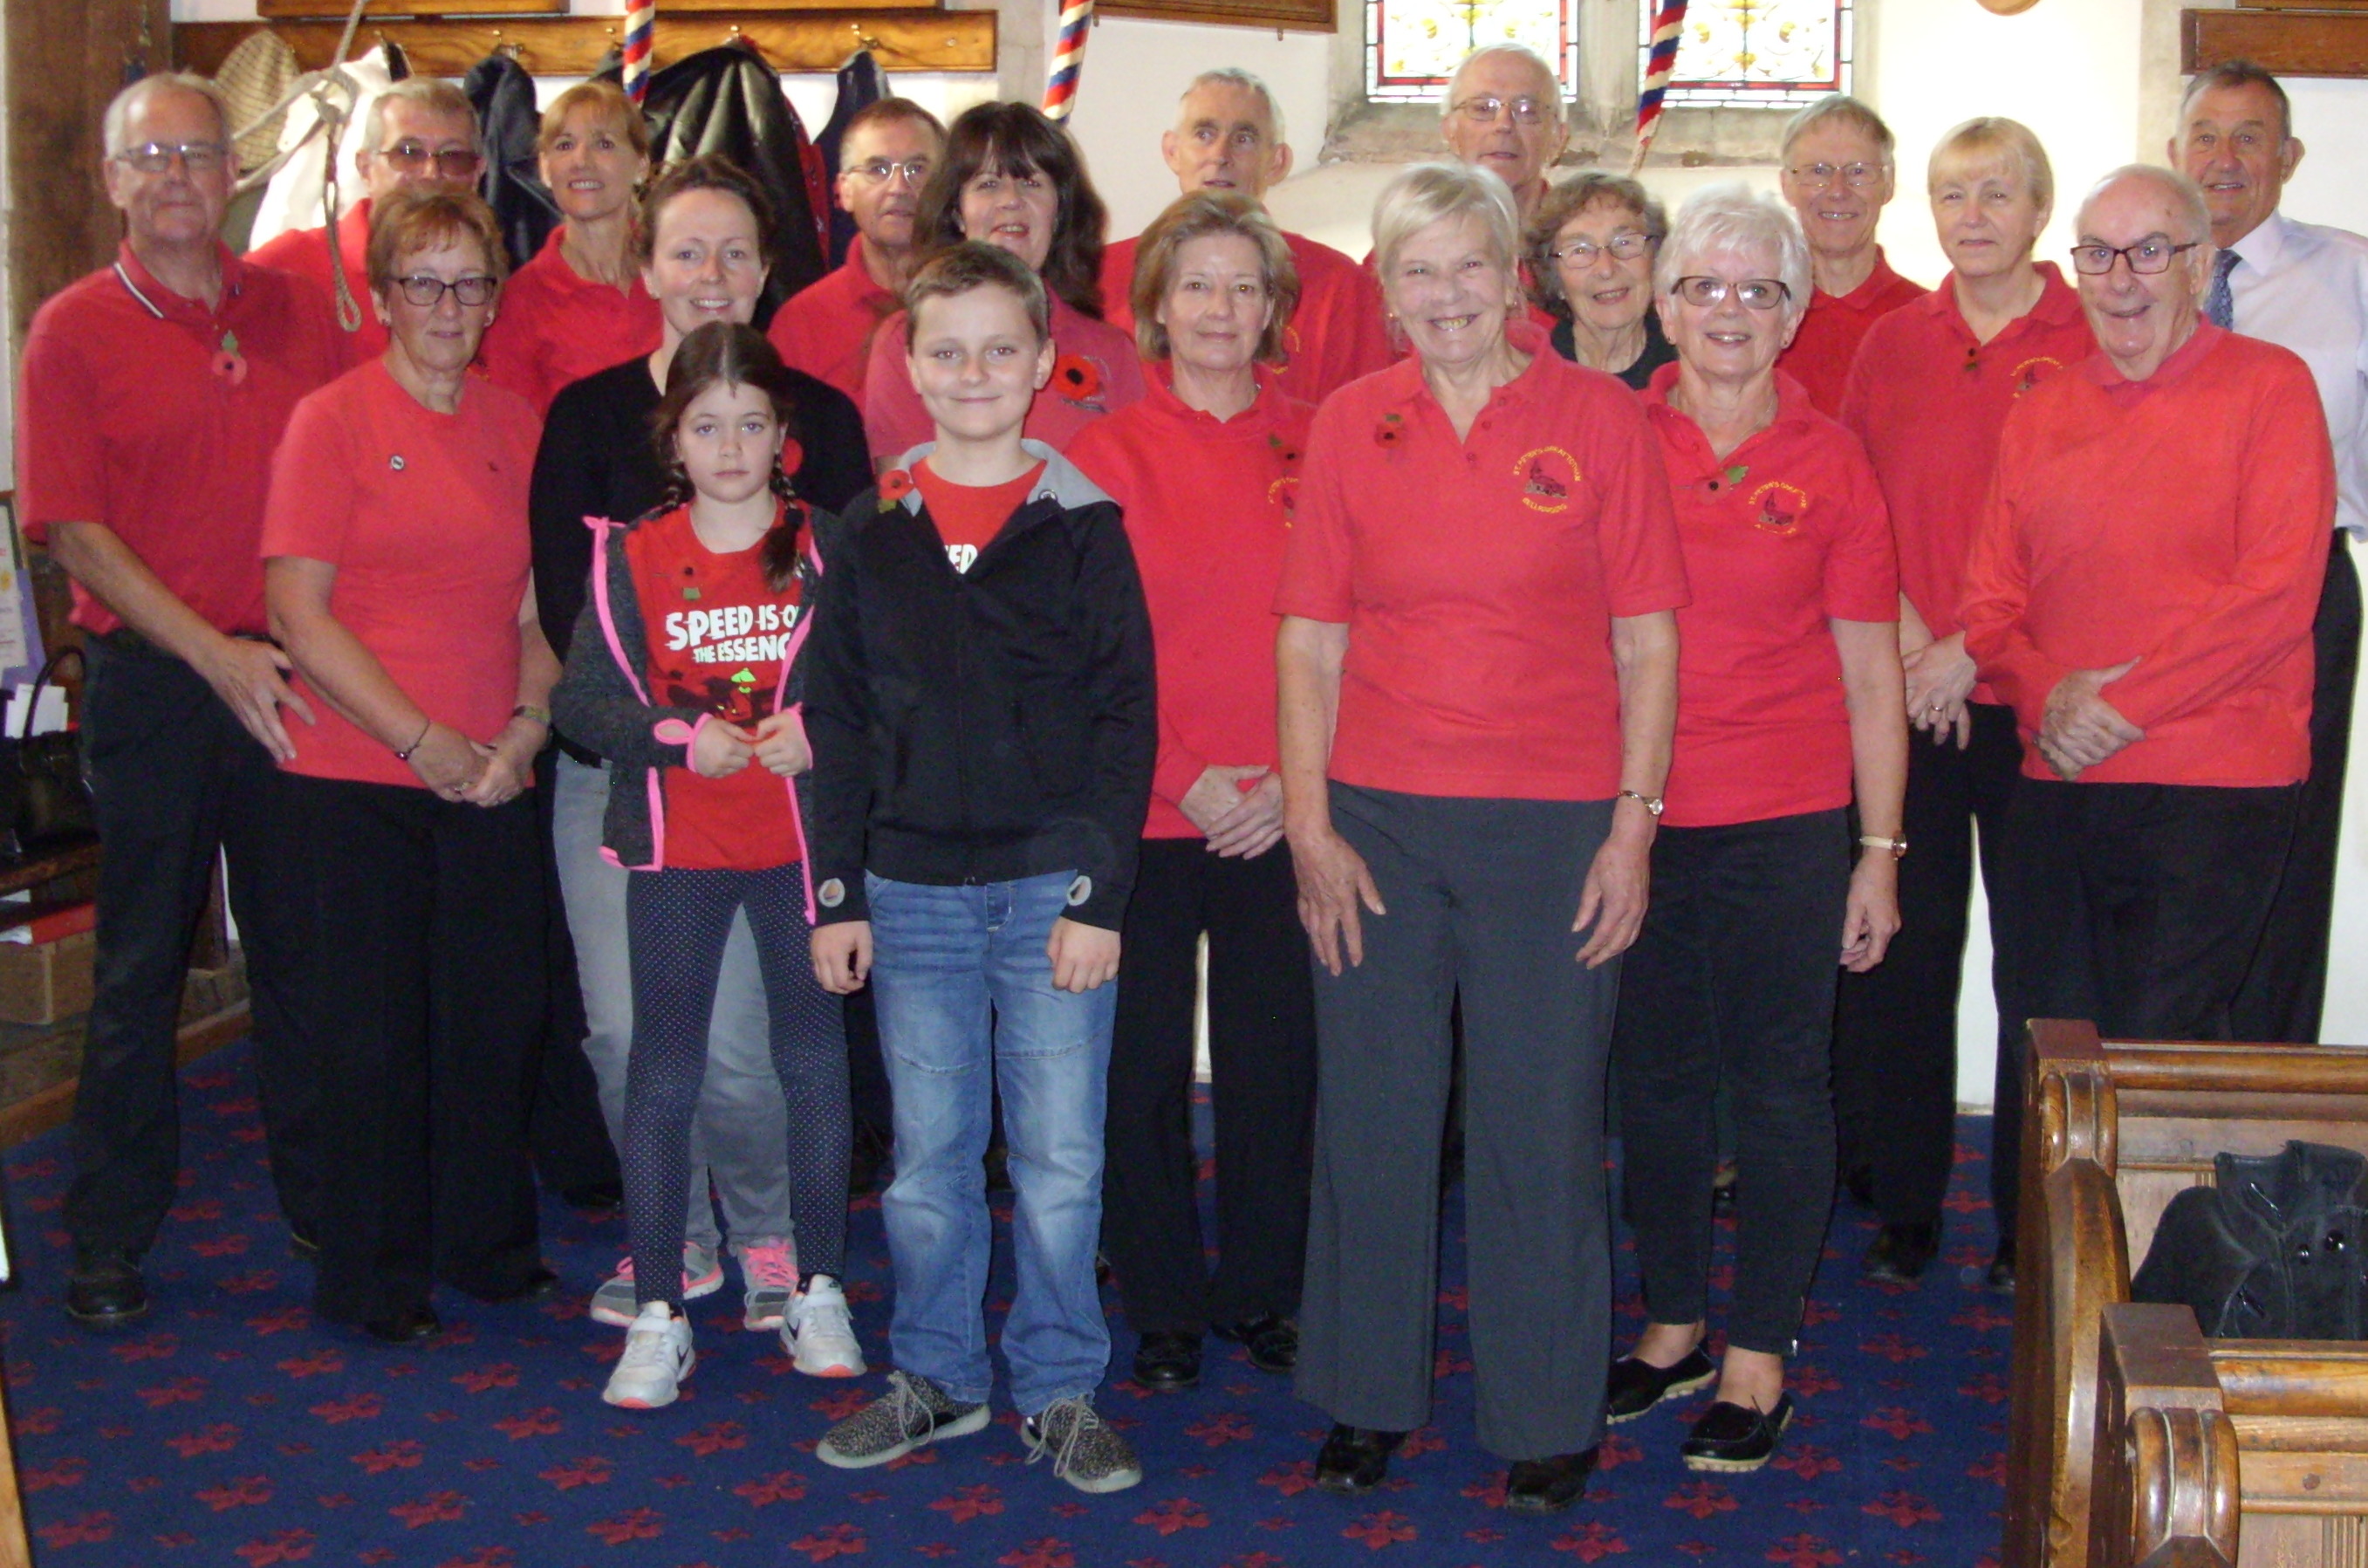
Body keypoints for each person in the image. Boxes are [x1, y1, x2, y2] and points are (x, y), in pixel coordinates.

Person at [1277, 161, 1685, 1513]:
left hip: (1556, 824)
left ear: (1515, 277)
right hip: (1377, 822)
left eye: (1469, 266)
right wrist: (1306, 821)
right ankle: (1365, 1398)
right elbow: (1310, 638)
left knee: (1541, 1123)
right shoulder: (1347, 421)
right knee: (1374, 1118)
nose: (1445, 295)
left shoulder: (1599, 418)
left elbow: (1646, 637)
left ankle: (1544, 1410)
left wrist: (1633, 823)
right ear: (1386, 291)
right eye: (1416, 270)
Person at [804, 242, 1156, 1496]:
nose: (971, 373)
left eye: (997, 349)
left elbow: (1126, 720)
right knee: (929, 1159)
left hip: (1050, 886)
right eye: (943, 350)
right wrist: (838, 893)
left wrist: (1097, 894)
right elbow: (835, 725)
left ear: (1040, 363)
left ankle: (1058, 1386)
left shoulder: (1079, 526)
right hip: (908, 892)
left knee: (1061, 1160)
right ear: (907, 364)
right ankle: (939, 1376)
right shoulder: (871, 528)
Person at [17, 73, 342, 1329]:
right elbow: (75, 537)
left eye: (197, 156)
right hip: (162, 683)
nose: (174, 178)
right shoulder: (71, 331)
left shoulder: (299, 312)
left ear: (230, 176)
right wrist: (215, 654)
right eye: (148, 157)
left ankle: (330, 1207)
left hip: (292, 671)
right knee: (142, 961)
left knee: (303, 960)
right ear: (111, 180)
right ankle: (108, 1234)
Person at [530, 154, 872, 1334]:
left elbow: (857, 637)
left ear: (769, 272)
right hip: (636, 789)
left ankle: (770, 1233)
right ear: (647, 266)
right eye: (688, 250)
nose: (712, 274)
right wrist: (675, 737)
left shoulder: (820, 425)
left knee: (746, 1047)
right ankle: (667, 1243)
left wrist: (808, 735)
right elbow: (573, 636)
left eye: (736, 252)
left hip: (773, 804)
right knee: (632, 1032)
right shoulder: (587, 416)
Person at [1609, 185, 1906, 1474]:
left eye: (1757, 289)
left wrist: (1878, 854)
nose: (1727, 310)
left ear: (1792, 314)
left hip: (1786, 820)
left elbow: (1870, 676)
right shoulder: (1609, 438)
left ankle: (1758, 1350)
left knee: (1779, 1087)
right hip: (1632, 821)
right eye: (1703, 287)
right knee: (1656, 1084)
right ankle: (1672, 1322)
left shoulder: (1831, 458)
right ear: (1662, 303)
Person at [261, 188, 556, 1345]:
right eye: (421, 281)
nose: (446, 304)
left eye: (468, 281)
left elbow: (539, 609)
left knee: (496, 1025)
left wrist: (523, 732)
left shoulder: (514, 421)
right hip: (357, 785)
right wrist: (419, 738)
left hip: (491, 779)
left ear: (492, 299)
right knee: (373, 1040)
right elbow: (299, 612)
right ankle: (371, 1277)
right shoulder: (329, 420)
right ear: (383, 297)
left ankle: (484, 1249)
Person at [1961, 167, 2333, 1058]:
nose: (2119, 277)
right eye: (2096, 253)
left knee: (2158, 1051)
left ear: (2198, 266)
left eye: (2149, 251)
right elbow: (1987, 604)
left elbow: (2275, 596)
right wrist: (2050, 698)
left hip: (2214, 784)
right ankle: (2042, 1209)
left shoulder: (2270, 387)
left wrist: (2119, 709)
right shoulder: (2039, 408)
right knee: (2047, 1043)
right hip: (2058, 774)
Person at [1830, 118, 2096, 1291]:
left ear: (2039, 210)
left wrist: (1969, 646)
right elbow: (1850, 511)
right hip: (1907, 697)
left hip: (2031, 701)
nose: (1972, 214)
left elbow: (2096, 530)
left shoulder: (2090, 334)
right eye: (1951, 195)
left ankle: (2025, 1221)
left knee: (2040, 971)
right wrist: (1906, 641)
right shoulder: (1891, 342)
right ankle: (1906, 1206)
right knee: (1903, 953)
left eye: (1997, 193)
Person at [1066, 192, 1317, 1396]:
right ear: (1155, 305)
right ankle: (1160, 1301)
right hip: (1144, 813)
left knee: (1280, 1065)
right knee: (1137, 1070)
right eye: (1198, 286)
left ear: (1273, 309)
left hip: (1286, 808)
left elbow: (1360, 629)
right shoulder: (1090, 457)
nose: (1221, 310)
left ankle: (1264, 1290)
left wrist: (1286, 778)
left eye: (1244, 287)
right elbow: (1073, 656)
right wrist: (1179, 775)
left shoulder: (1329, 440)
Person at [2173, 61, 2368, 1045]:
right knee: (2168, 850)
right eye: (2205, 134)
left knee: (2283, 849)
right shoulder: (2132, 273)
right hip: (2158, 592)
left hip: (2298, 590)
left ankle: (2264, 1096)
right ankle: (2156, 1078)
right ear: (2172, 153)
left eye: (2249, 137)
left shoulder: (2349, 272)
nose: (2224, 159)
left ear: (2287, 158)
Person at [859, 101, 1145, 460]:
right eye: (988, 184)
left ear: (1059, 213)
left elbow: (1130, 491)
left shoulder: (1110, 351)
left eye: (1031, 182)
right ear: (956, 213)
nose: (1011, 200)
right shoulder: (905, 341)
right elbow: (902, 496)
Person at [1096, 70, 1392, 407]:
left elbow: (1365, 421)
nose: (1220, 155)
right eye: (1204, 134)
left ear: (1277, 162)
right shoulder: (1101, 276)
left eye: (1244, 139)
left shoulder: (1338, 286)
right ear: (1172, 151)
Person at [247, 75, 482, 366]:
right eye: (408, 153)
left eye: (453, 156)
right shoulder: (286, 269)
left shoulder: (487, 287)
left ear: (477, 174)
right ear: (365, 168)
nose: (431, 172)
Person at [478, 81, 657, 415]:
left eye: (603, 143)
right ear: (545, 168)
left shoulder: (678, 275)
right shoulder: (520, 302)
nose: (581, 161)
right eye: (564, 145)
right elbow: (516, 435)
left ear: (641, 166)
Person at [767, 98, 946, 409]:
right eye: (878, 169)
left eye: (917, 169)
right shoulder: (800, 324)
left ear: (946, 186)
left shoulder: (980, 305)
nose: (899, 187)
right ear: (844, 190)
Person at [1773, 95, 1923, 414]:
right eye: (1818, 171)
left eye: (1858, 171)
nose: (1838, 190)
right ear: (1787, 185)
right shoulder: (1760, 313)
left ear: (1888, 183)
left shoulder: (1928, 320)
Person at [1528, 170, 1677, 389]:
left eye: (1624, 243)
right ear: (1554, 278)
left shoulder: (1689, 367)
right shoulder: (1535, 376)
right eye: (1580, 250)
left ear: (1655, 259)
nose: (1606, 268)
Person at [1439, 44, 1569, 227]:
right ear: (1449, 131)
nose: (1504, 124)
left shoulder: (1582, 240)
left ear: (1558, 138)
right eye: (1483, 108)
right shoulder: (1415, 240)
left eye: (1527, 110)